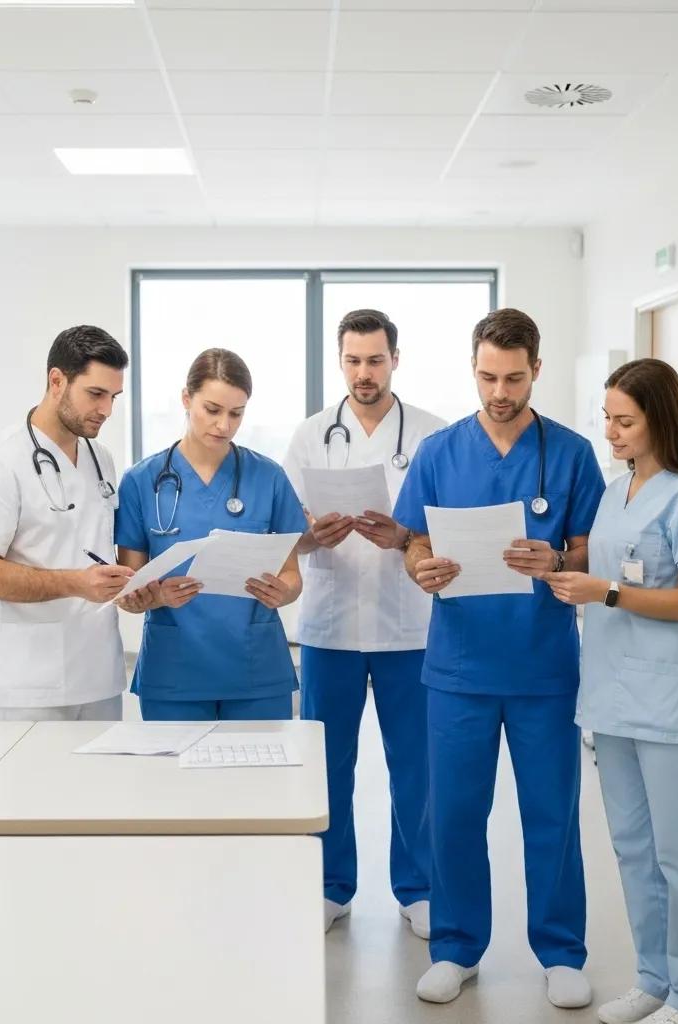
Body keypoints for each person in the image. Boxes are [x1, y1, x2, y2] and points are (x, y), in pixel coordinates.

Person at [392, 308, 606, 1009]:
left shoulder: (571, 453)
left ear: (536, 370)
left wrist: (558, 558)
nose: (498, 390)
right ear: (473, 369)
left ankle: (561, 951)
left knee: (552, 814)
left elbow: (589, 551)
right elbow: (410, 539)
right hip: (459, 668)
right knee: (453, 813)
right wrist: (420, 566)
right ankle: (456, 947)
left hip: (544, 666)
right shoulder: (439, 452)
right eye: (487, 376)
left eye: (513, 377)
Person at [546, 359, 678, 1024]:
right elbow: (598, 568)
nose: (611, 432)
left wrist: (607, 591)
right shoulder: (617, 490)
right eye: (608, 418)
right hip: (612, 694)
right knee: (632, 848)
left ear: (660, 419)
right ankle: (654, 980)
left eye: (625, 420)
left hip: (667, 699)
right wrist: (560, 566)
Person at [283, 308, 447, 936]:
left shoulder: (432, 435)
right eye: (352, 360)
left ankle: (419, 888)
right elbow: (284, 534)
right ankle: (331, 886)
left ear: (395, 360)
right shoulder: (309, 435)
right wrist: (308, 536)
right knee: (329, 766)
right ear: (340, 360)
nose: (363, 373)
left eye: (375, 360)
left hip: (410, 627)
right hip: (329, 626)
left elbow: (446, 530)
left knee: (416, 765)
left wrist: (405, 537)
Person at [115, 348, 306, 721]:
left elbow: (292, 576)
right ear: (186, 399)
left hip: (255, 671)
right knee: (175, 779)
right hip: (174, 671)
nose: (224, 425)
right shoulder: (141, 481)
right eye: (213, 410)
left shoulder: (268, 478)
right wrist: (153, 596)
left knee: (259, 777)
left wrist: (284, 591)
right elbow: (128, 591)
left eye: (237, 413)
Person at [0, 325, 133, 721]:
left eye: (114, 397)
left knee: (100, 784)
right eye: (96, 394)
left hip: (99, 673)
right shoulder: (0, 464)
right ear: (57, 380)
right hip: (29, 684)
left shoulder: (100, 458)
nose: (106, 409)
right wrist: (75, 583)